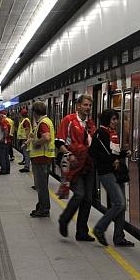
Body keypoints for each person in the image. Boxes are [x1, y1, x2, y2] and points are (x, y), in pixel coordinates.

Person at [89, 109, 134, 247]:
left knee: (122, 205)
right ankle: (99, 229)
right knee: (119, 203)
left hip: (116, 173)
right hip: (106, 173)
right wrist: (114, 159)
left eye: (116, 119)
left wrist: (122, 154)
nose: (116, 122)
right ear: (107, 120)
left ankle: (119, 237)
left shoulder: (112, 133)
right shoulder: (100, 133)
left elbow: (112, 153)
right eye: (113, 119)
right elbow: (94, 153)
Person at [55, 94, 96, 241]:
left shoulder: (90, 124)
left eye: (89, 105)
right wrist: (69, 154)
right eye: (85, 105)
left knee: (88, 199)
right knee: (79, 194)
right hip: (74, 165)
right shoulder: (69, 120)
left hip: (88, 165)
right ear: (78, 106)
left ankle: (82, 232)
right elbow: (59, 142)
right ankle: (64, 219)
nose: (88, 108)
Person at [28, 101, 56, 218]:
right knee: (42, 184)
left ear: (35, 112)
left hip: (41, 158)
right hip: (45, 158)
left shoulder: (43, 123)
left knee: (41, 186)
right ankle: (41, 206)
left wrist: (36, 143)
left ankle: (44, 209)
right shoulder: (47, 121)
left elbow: (47, 137)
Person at [0, 110, 14, 174]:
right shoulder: (6, 121)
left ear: (2, 115)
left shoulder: (3, 122)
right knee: (6, 156)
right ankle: (7, 170)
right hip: (7, 141)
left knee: (2, 156)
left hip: (3, 142)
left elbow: (6, 130)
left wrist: (4, 138)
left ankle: (3, 169)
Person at [16, 107, 32, 172]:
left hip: (25, 140)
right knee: (25, 153)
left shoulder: (25, 121)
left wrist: (26, 142)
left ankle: (27, 167)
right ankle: (26, 166)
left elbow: (27, 130)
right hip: (24, 139)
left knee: (26, 154)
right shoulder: (24, 120)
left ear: (21, 114)